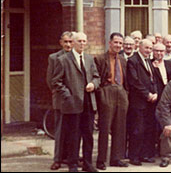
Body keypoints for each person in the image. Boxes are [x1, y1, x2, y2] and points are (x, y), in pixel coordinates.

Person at [52, 32, 100, 172]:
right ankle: (72, 164)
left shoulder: (89, 59)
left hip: (89, 103)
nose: (82, 44)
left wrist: (93, 84)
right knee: (73, 135)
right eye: (79, 41)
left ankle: (87, 163)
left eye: (84, 41)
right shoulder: (63, 60)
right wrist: (69, 96)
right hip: (72, 104)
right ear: (73, 42)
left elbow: (97, 77)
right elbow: (56, 82)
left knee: (88, 135)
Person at [94, 33, 129, 170]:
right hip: (107, 92)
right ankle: (101, 160)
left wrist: (125, 94)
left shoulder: (123, 60)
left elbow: (126, 80)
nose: (118, 45)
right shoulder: (101, 58)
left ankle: (116, 158)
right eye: (116, 42)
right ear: (110, 43)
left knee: (120, 128)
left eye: (120, 43)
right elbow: (97, 78)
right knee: (105, 128)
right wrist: (101, 96)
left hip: (121, 92)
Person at [126, 39, 158, 165]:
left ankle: (144, 154)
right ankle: (134, 156)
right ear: (139, 47)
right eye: (146, 48)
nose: (148, 50)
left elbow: (153, 79)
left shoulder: (149, 61)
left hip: (150, 102)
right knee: (137, 130)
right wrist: (147, 94)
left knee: (148, 129)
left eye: (150, 48)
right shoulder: (132, 61)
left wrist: (155, 93)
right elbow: (134, 81)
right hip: (138, 102)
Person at [46, 31, 73, 170]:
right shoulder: (54, 58)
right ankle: (57, 159)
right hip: (61, 100)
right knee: (60, 130)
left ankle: (70, 157)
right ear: (61, 42)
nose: (68, 44)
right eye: (66, 41)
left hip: (75, 101)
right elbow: (50, 79)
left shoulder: (76, 56)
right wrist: (59, 93)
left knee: (73, 131)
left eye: (70, 41)